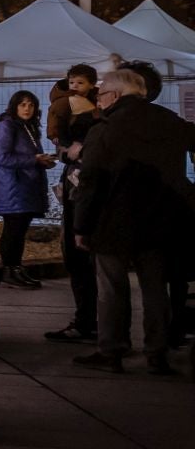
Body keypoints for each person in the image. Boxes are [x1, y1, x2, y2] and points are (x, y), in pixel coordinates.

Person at [71, 68, 195, 376]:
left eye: (100, 94)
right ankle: (157, 353)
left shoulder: (105, 128)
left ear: (115, 95)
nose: (98, 100)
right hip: (161, 220)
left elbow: (91, 181)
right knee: (156, 289)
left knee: (112, 289)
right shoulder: (170, 122)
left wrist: (81, 226)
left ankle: (111, 351)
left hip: (112, 220)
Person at [46, 64, 104, 344]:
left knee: (82, 261)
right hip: (80, 190)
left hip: (84, 199)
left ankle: (89, 324)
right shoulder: (71, 106)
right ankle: (93, 323)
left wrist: (73, 154)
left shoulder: (94, 116)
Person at [0, 90, 56, 289]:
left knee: (19, 231)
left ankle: (16, 268)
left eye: (31, 105)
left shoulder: (27, 127)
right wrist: (34, 159)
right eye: (22, 104)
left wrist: (42, 161)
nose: (27, 108)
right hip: (14, 187)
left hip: (25, 187)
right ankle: (9, 271)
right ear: (14, 106)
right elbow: (2, 157)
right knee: (13, 230)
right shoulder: (7, 126)